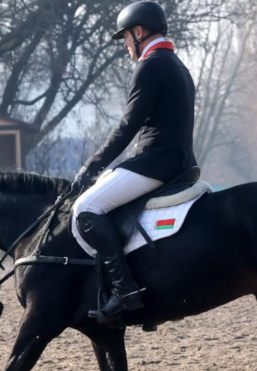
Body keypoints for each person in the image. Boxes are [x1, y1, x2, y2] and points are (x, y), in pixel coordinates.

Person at [71, 1, 197, 324]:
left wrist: (93, 166)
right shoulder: (176, 64)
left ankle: (125, 290)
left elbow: (128, 127)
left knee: (85, 208)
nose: (126, 45)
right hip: (179, 162)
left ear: (139, 32)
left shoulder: (150, 65)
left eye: (126, 37)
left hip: (157, 164)